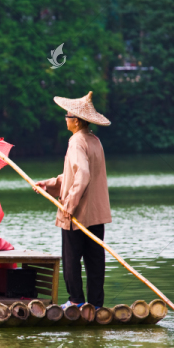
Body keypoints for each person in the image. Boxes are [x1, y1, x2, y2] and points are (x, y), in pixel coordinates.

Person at [34, 91, 112, 309]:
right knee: (95, 260)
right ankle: (96, 304)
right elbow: (73, 175)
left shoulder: (76, 142)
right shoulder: (94, 141)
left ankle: (76, 301)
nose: (65, 119)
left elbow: (83, 175)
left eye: (67, 116)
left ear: (76, 121)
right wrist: (49, 184)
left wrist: (69, 205)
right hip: (96, 213)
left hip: (77, 213)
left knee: (71, 259)